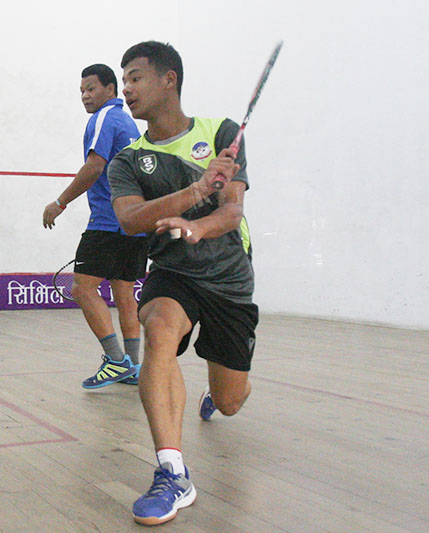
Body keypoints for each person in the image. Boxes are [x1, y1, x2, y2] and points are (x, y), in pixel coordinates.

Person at [107, 41, 258, 525]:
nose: (125, 89)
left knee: (232, 402)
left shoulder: (223, 133)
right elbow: (131, 219)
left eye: (134, 77)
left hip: (229, 276)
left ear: (168, 79)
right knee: (158, 330)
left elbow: (232, 212)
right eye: (123, 79)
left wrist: (201, 224)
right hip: (173, 273)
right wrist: (193, 194)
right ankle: (172, 472)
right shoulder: (128, 160)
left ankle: (217, 393)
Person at [43, 64, 148, 389]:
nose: (86, 96)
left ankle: (116, 361)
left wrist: (59, 202)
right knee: (124, 292)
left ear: (110, 89)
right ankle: (132, 366)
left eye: (91, 88)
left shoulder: (104, 118)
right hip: (135, 223)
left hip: (107, 223)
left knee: (83, 288)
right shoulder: (129, 122)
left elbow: (94, 166)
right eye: (81, 91)